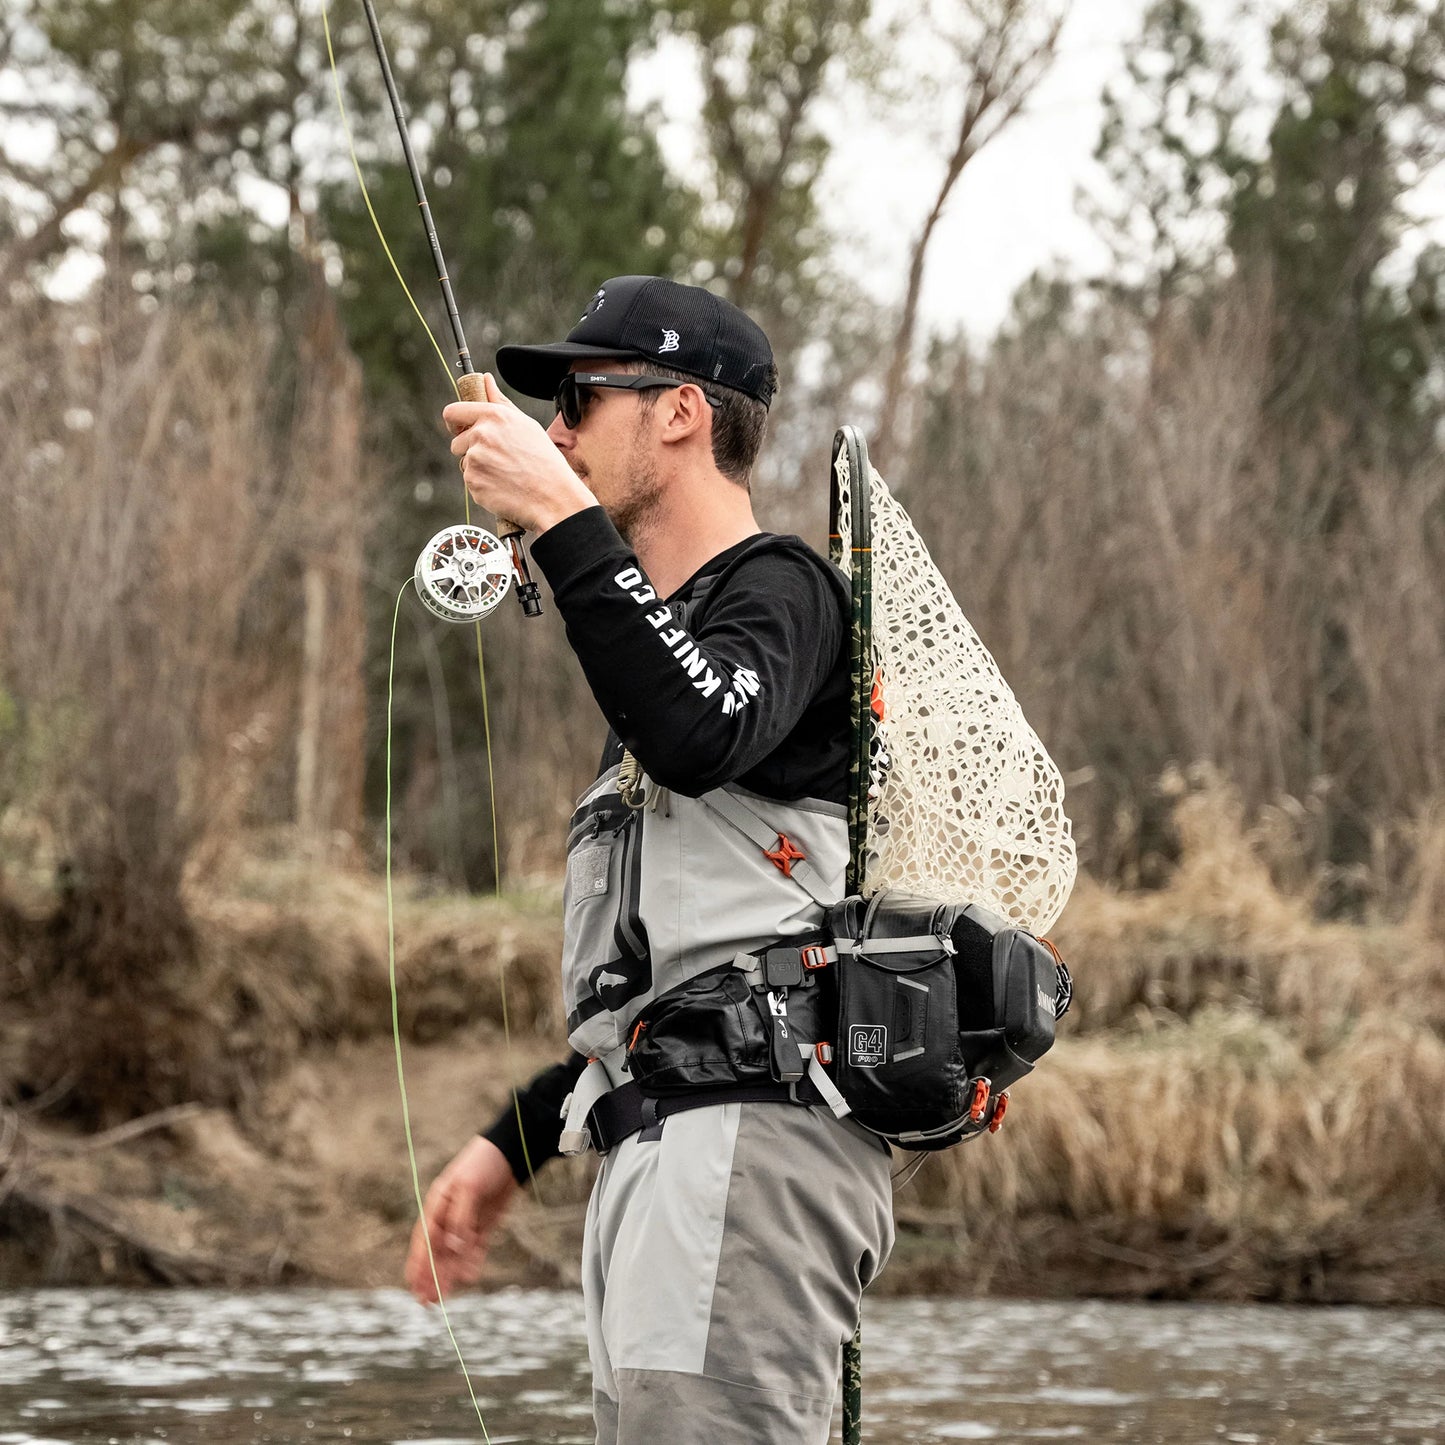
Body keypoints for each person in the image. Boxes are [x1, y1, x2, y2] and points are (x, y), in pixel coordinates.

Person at [405, 275, 894, 1444]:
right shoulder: (654, 661)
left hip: (750, 1144)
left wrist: (561, 517)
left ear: (679, 411)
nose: (557, 429)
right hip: (658, 1145)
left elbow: (698, 730)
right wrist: (509, 1146)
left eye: (578, 397)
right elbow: (676, 978)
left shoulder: (785, 592)